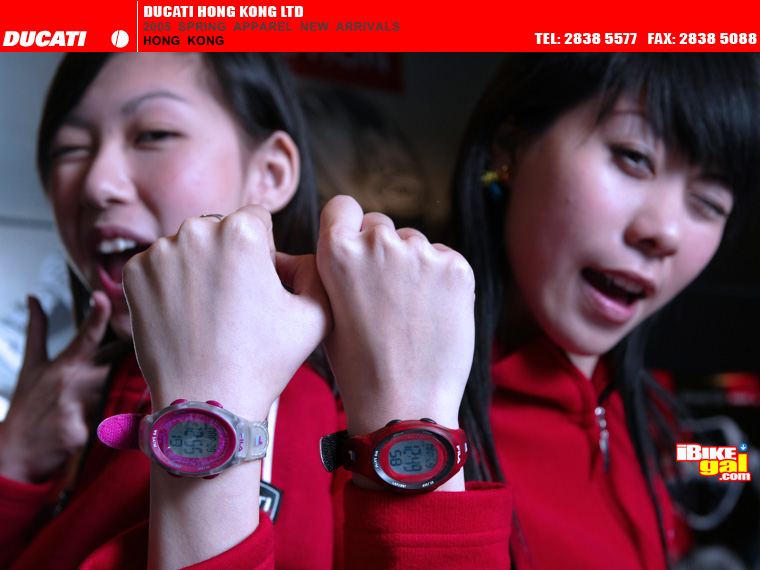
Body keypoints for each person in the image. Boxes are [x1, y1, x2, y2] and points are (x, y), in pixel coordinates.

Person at [315, 53, 760, 569]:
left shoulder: (645, 413)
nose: (666, 232)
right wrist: (412, 428)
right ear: (510, 148)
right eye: (633, 158)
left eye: (708, 203)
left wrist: (741, 463)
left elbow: (684, 461)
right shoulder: (367, 431)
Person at [0, 52, 340, 570]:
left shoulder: (282, 409)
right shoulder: (75, 401)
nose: (95, 184)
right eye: (69, 149)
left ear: (269, 173)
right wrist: (13, 462)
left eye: (153, 134)